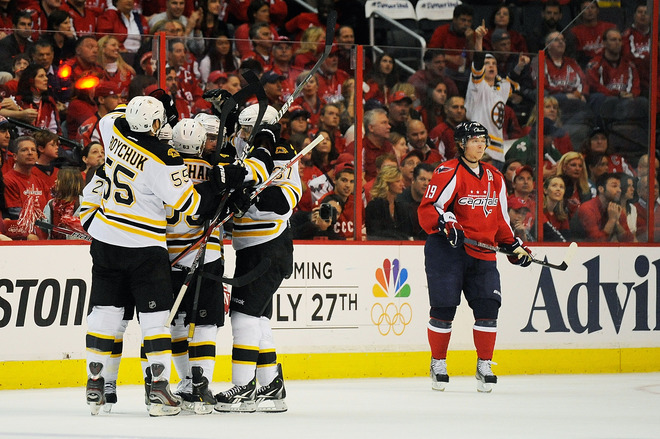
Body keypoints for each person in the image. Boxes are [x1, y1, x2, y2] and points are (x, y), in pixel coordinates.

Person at [80, 96, 247, 416]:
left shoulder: (112, 128)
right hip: (144, 247)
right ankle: (157, 390)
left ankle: (95, 382)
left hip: (104, 241)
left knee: (106, 312)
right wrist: (222, 185)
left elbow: (114, 114)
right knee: (156, 319)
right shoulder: (163, 158)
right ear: (157, 125)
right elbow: (195, 207)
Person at [418, 121, 532, 393]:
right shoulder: (447, 171)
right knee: (444, 309)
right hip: (448, 251)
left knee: (488, 308)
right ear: (461, 144)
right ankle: (438, 362)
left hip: (482, 252)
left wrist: (514, 247)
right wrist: (446, 222)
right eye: (474, 140)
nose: (480, 145)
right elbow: (429, 209)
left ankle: (484, 364)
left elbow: (501, 220)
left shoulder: (495, 176)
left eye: (483, 140)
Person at [214, 107, 301, 414]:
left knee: (243, 318)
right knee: (259, 320)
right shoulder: (247, 149)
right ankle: (271, 386)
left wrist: (253, 198)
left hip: (269, 246)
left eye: (245, 131)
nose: (241, 136)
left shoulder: (280, 154)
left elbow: (287, 200)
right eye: (240, 130)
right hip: (251, 247)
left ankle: (244, 389)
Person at [466, 21, 529, 167]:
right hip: (481, 151)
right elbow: (477, 61)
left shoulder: (499, 91)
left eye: (493, 63)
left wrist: (520, 65)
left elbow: (510, 81)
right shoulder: (477, 86)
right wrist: (479, 39)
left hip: (499, 152)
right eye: (487, 63)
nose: (491, 66)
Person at [572, 172, 634, 242]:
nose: (619, 190)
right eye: (614, 186)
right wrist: (611, 221)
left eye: (619, 187)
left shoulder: (616, 209)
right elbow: (596, 242)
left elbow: (630, 240)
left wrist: (616, 223)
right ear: (601, 189)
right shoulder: (588, 208)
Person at [3, 135, 49, 221]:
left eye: (33, 150)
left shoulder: (40, 182)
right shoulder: (8, 180)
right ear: (15, 156)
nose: (30, 153)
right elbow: (15, 213)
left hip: (43, 229)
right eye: (24, 150)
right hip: (22, 230)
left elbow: (50, 210)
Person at [365, 165, 413, 241]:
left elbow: (407, 233)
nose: (402, 184)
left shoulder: (401, 207)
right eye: (397, 181)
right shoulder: (374, 206)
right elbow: (375, 233)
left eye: (401, 181)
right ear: (387, 182)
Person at [13, 64, 61, 134]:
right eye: (41, 76)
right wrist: (20, 114)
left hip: (45, 142)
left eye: (45, 76)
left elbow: (54, 130)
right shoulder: (18, 100)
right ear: (31, 80)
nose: (46, 79)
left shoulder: (49, 101)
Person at [569, 0, 616, 69]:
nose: (589, 11)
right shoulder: (574, 32)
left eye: (592, 7)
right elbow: (574, 57)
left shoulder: (610, 28)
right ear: (580, 13)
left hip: (609, 65)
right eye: (585, 8)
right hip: (585, 67)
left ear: (597, 10)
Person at [42, 166, 84, 239]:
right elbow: (44, 229)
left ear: (68, 182)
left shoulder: (83, 203)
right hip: (54, 245)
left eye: (58, 179)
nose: (55, 181)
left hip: (77, 245)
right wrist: (38, 219)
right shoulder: (51, 204)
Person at [397, 162, 433, 240]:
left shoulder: (435, 202)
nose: (426, 183)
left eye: (430, 180)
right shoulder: (400, 202)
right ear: (413, 180)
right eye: (422, 179)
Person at [622, 3, 650, 96]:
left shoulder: (656, 36)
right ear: (634, 15)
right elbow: (628, 56)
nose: (643, 15)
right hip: (638, 77)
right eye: (640, 12)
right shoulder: (627, 35)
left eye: (646, 12)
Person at [556, 151, 592, 219]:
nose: (577, 169)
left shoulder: (586, 191)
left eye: (580, 166)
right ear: (564, 167)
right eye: (573, 165)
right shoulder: (556, 187)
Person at [429, 95, 464, 161]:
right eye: (455, 107)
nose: (459, 111)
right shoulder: (439, 131)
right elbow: (435, 160)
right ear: (446, 109)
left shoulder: (468, 131)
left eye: (462, 107)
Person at [542, 175, 570, 242]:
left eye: (561, 187)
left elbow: (566, 240)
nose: (558, 189)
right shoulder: (539, 212)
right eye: (554, 185)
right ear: (545, 190)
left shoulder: (563, 216)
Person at [619, 173, 638, 240]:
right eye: (629, 186)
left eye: (632, 186)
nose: (632, 189)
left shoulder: (633, 208)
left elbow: (633, 235)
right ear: (621, 187)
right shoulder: (611, 208)